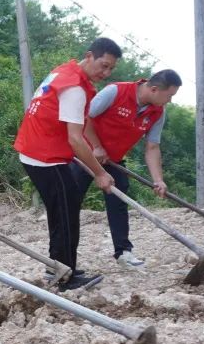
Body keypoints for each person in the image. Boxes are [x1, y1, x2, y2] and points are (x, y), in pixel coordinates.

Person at [13, 37, 122, 291]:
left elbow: (70, 131)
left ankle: (59, 266)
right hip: (45, 157)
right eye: (103, 65)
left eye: (111, 69)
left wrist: (93, 154)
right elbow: (75, 138)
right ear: (89, 56)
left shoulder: (65, 71)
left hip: (37, 149)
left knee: (65, 207)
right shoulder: (75, 88)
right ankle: (64, 277)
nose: (106, 73)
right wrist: (100, 173)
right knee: (65, 212)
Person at [72, 69, 182, 271]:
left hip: (113, 160)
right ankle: (64, 257)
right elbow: (83, 118)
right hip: (84, 155)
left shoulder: (158, 112)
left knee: (119, 201)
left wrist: (158, 180)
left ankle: (123, 252)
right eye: (169, 96)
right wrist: (96, 146)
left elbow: (152, 147)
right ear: (154, 89)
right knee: (70, 202)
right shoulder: (115, 92)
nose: (170, 101)